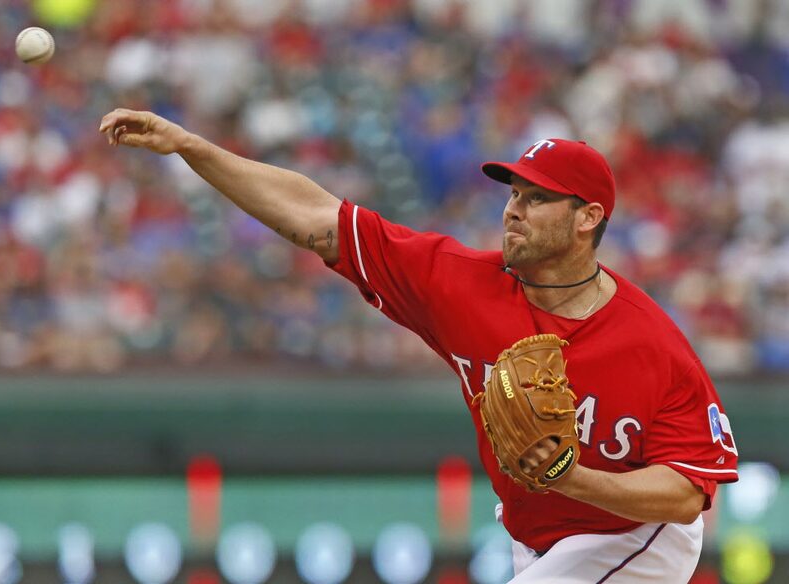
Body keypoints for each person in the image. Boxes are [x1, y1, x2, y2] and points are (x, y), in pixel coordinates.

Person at [99, 110, 739, 583]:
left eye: (538, 198)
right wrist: (189, 146)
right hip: (534, 537)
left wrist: (571, 478)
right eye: (513, 193)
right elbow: (318, 221)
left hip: (636, 538)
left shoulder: (652, 343)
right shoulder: (462, 284)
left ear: (588, 217)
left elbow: (689, 491)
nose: (514, 209)